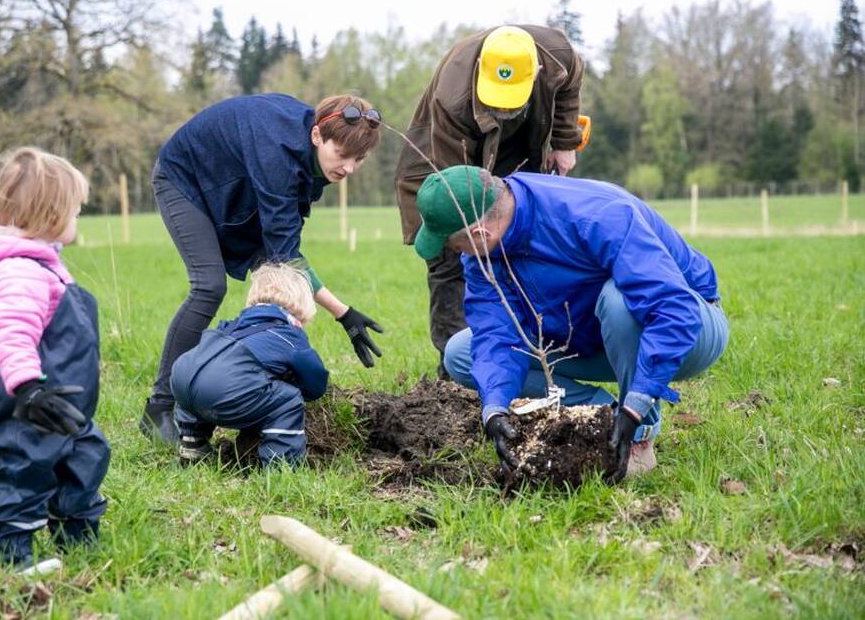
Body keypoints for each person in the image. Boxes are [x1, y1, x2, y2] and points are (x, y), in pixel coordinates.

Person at [412, 166, 729, 483]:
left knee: (619, 300)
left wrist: (638, 403)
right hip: (587, 339)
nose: (457, 254)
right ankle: (604, 414)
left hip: (689, 328)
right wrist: (494, 408)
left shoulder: (596, 214)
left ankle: (637, 433)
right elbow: (496, 334)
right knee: (461, 353)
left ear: (481, 234)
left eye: (455, 246)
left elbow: (672, 308)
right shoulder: (484, 256)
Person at [141, 93, 385, 444]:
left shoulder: (308, 158)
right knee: (209, 285)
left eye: (359, 160)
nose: (348, 168)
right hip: (185, 179)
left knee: (274, 263)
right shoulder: (279, 152)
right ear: (317, 136)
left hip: (235, 191)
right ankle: (159, 408)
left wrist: (344, 313)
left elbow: (285, 251)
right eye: (342, 155)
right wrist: (331, 316)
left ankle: (260, 398)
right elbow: (284, 257)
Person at [0, 147, 109, 570]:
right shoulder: (18, 272)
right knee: (23, 471)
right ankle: (9, 552)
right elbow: (13, 335)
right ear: (51, 216)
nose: (76, 219)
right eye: (74, 211)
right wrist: (29, 389)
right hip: (29, 408)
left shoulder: (41, 265)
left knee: (85, 456)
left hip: (64, 406)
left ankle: (77, 534)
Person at [395, 25, 586, 375]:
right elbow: (455, 187)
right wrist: (478, 237)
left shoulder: (556, 55)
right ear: (482, 66)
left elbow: (571, 83)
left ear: (537, 73)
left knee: (523, 250)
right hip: (442, 169)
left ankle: (525, 357)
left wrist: (564, 141)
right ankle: (458, 371)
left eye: (509, 100)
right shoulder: (452, 98)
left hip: (517, 158)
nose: (501, 107)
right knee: (452, 259)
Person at [170, 263, 329, 466]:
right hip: (226, 392)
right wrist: (298, 386)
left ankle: (193, 444)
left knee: (204, 381)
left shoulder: (233, 325)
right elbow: (316, 382)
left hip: (182, 380)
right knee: (288, 399)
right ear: (300, 309)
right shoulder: (289, 335)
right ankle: (282, 464)